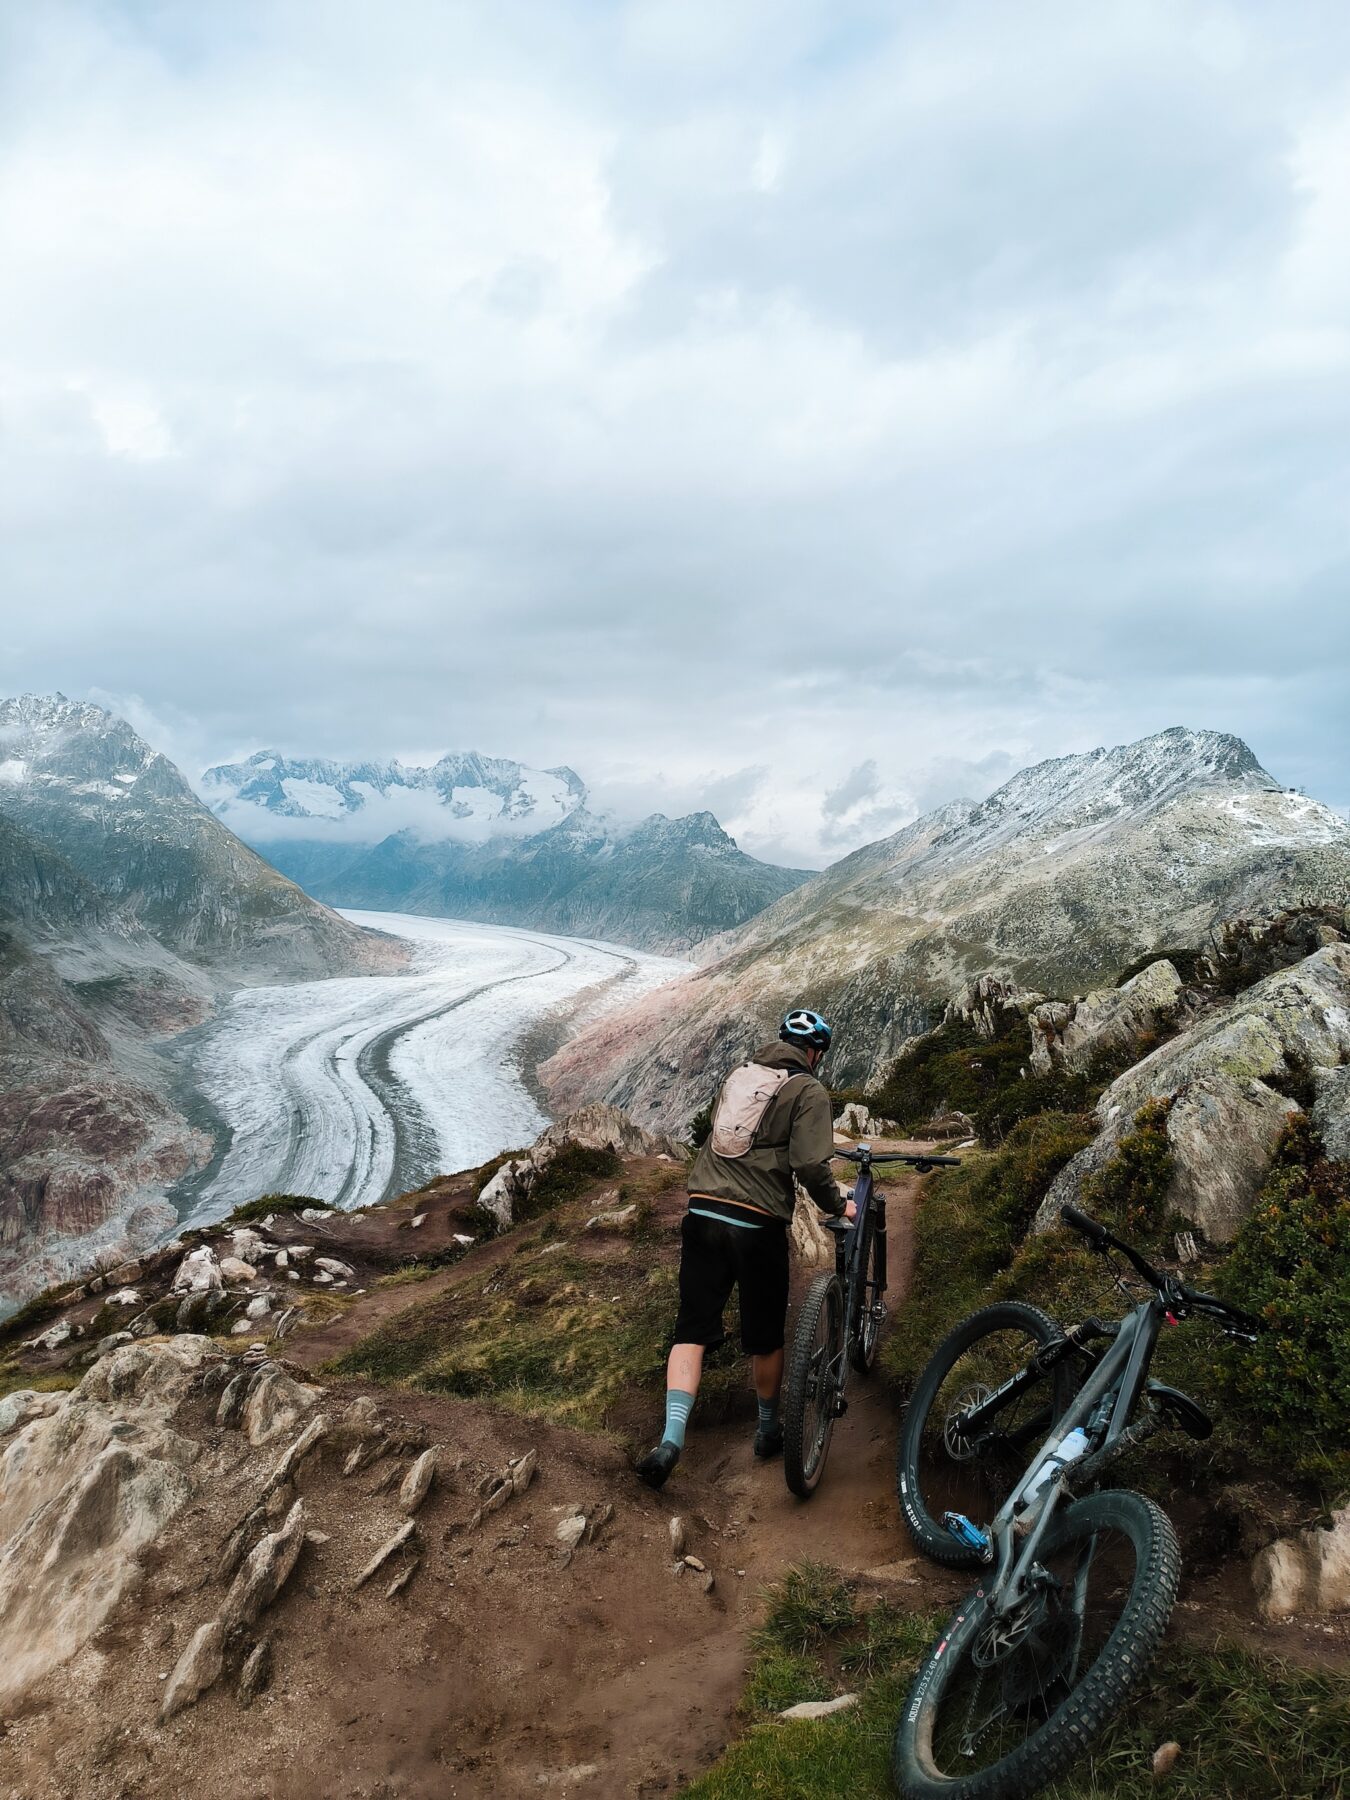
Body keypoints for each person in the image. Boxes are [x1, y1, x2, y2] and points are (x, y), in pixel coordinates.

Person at [636, 1008, 855, 1489]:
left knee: (691, 1329)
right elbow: (811, 1165)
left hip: (703, 1210)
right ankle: (767, 1429)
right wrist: (841, 1206)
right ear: (814, 1051)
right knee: (764, 1335)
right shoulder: (809, 1090)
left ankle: (671, 1440)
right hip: (756, 1224)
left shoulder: (741, 1074)